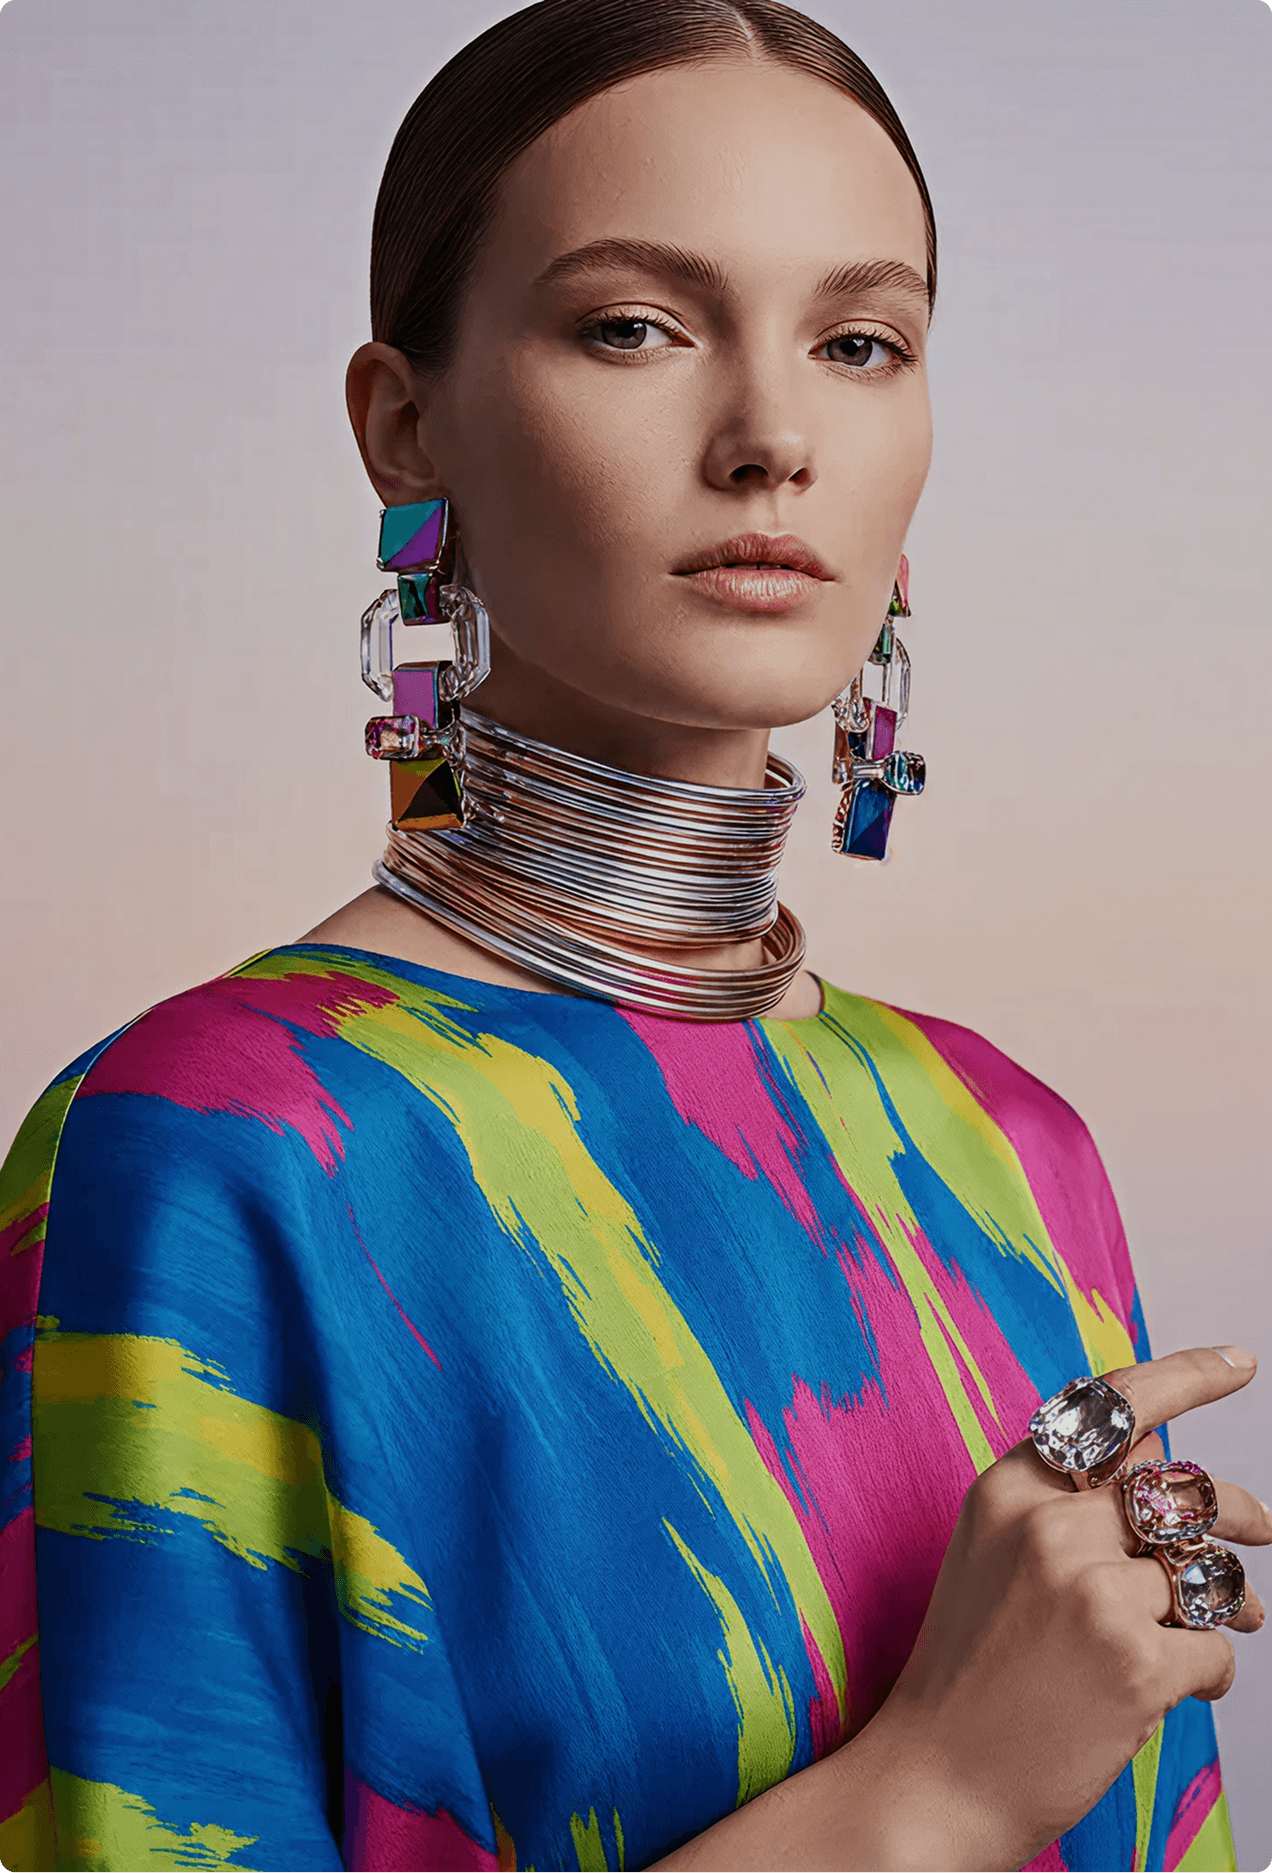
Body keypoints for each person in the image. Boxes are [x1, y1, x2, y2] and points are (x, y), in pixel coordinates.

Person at [0, 3, 1265, 1870]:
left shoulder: (1010, 1152)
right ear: (403, 423)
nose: (772, 438)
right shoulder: (211, 1152)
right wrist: (935, 1793)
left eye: (859, 342)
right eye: (634, 327)